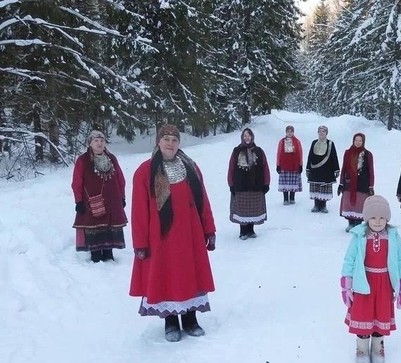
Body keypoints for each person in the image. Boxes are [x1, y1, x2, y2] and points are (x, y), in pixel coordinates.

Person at [129, 124, 216, 342]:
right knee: (166, 276)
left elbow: (202, 200)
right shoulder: (145, 171)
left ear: (179, 143)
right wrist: (140, 242)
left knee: (190, 274)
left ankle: (190, 319)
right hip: (161, 237)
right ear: (158, 142)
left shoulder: (191, 167)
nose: (170, 143)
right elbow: (138, 210)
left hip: (190, 234)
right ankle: (170, 321)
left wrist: (209, 228)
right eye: (166, 139)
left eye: (174, 140)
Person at [340, 195, 401, 363]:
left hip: (384, 284)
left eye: (382, 218)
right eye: (373, 217)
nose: (377, 222)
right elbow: (349, 260)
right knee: (363, 315)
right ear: (366, 218)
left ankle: (377, 348)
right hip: (364, 283)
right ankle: (362, 349)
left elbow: (400, 261)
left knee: (381, 316)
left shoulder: (392, 237)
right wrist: (346, 286)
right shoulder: (359, 236)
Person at [71, 130, 127, 262]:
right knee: (94, 227)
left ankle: (109, 256)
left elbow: (120, 179)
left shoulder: (112, 158)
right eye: (96, 140)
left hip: (112, 201)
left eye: (102, 140)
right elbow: (77, 182)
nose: (99, 143)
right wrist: (78, 201)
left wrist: (122, 197)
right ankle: (96, 257)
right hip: (91, 202)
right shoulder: (83, 160)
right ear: (90, 143)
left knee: (109, 227)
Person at [228, 128, 271, 239]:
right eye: (245, 136)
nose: (247, 138)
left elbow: (265, 167)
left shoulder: (259, 151)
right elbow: (231, 168)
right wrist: (231, 184)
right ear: (242, 138)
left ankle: (251, 230)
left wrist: (266, 183)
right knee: (241, 209)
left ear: (252, 137)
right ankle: (243, 231)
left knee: (253, 209)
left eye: (249, 135)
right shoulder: (236, 151)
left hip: (256, 185)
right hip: (240, 185)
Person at [338, 133, 374, 232]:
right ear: (353, 141)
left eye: (360, 141)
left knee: (359, 204)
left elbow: (371, 170)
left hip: (362, 183)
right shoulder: (348, 153)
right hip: (349, 182)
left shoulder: (368, 154)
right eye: (356, 140)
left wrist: (371, 186)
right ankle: (350, 223)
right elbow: (344, 168)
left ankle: (358, 224)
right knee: (348, 203)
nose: (358, 142)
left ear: (363, 142)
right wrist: (341, 183)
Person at [306, 125, 340, 213]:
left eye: (323, 131)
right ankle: (316, 205)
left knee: (324, 188)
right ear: (318, 133)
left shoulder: (330, 143)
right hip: (315, 170)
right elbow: (310, 156)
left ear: (326, 133)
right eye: (320, 131)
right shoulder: (314, 143)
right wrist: (308, 168)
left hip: (326, 170)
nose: (321, 133)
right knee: (316, 187)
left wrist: (336, 169)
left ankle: (323, 206)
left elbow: (334, 156)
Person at [276, 125, 303, 205]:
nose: (290, 133)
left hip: (294, 165)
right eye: (288, 131)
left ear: (293, 132)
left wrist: (300, 164)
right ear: (286, 132)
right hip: (284, 165)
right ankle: (285, 198)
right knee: (285, 183)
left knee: (293, 182)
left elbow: (300, 153)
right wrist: (278, 164)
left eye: (291, 131)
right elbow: (279, 153)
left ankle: (292, 197)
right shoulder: (282, 141)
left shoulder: (297, 141)